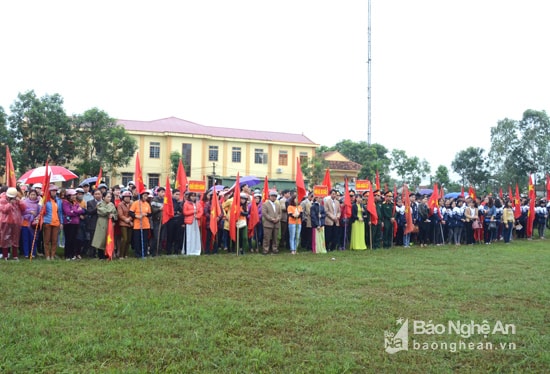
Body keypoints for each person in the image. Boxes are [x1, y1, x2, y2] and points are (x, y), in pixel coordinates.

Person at [0, 187, 26, 260]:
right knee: (5, 239)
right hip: (6, 222)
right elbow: (4, 210)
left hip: (16, 222)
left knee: (15, 239)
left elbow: (24, 208)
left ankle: (15, 256)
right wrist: (10, 204)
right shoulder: (2, 200)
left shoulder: (17, 199)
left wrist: (19, 201)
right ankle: (5, 256)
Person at [91, 191, 118, 259]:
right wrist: (109, 212)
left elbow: (116, 214)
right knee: (101, 238)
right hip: (102, 222)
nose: (109, 198)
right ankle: (100, 255)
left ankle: (108, 253)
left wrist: (113, 216)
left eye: (110, 197)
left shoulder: (112, 204)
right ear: (103, 197)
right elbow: (101, 211)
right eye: (108, 197)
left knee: (108, 237)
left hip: (110, 223)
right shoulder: (100, 204)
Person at [62, 189, 86, 260]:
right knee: (68, 239)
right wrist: (76, 211)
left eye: (75, 195)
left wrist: (74, 211)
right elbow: (68, 212)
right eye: (72, 195)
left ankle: (72, 254)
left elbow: (81, 210)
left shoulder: (75, 202)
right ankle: (67, 255)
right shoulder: (65, 203)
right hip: (68, 223)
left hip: (76, 223)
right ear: (68, 196)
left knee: (74, 239)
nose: (74, 196)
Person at [43, 184, 64, 260]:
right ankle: (47, 255)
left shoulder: (59, 201)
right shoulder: (45, 200)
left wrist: (61, 222)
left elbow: (60, 212)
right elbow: (41, 210)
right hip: (47, 222)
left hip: (56, 222)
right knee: (47, 240)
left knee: (55, 240)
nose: (54, 192)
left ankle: (53, 255)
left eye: (55, 191)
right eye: (52, 191)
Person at [130, 190, 152, 258]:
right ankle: (137, 253)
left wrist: (146, 214)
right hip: (137, 225)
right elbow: (131, 212)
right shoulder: (136, 203)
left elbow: (150, 213)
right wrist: (137, 216)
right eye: (145, 195)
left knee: (145, 240)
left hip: (145, 224)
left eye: (147, 196)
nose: (146, 197)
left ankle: (144, 253)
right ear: (141, 196)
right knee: (137, 240)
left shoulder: (147, 204)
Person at [21, 189, 40, 258]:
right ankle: (26, 253)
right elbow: (22, 211)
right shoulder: (24, 202)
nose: (32, 196)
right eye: (31, 194)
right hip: (25, 223)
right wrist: (30, 212)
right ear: (28, 195)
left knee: (33, 239)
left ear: (36, 195)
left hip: (34, 223)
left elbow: (40, 212)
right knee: (25, 239)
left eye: (34, 195)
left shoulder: (38, 203)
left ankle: (33, 253)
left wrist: (37, 218)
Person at [86, 189, 104, 258]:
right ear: (93, 195)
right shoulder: (90, 202)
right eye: (96, 194)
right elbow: (89, 212)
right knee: (92, 239)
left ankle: (101, 254)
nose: (97, 195)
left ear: (101, 195)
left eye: (99, 194)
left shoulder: (104, 202)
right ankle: (92, 254)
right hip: (93, 223)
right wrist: (96, 208)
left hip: (102, 223)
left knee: (101, 239)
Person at [262, 190, 281, 254]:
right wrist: (271, 219)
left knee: (275, 237)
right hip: (268, 223)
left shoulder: (278, 204)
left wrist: (278, 218)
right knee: (267, 237)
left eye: (275, 196)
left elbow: (280, 213)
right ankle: (265, 249)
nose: (274, 197)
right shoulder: (265, 204)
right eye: (272, 196)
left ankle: (275, 248)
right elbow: (264, 213)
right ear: (269, 196)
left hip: (276, 223)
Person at [117, 190, 133, 259]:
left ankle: (126, 254)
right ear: (123, 197)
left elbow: (133, 212)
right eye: (126, 197)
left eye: (129, 197)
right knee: (124, 239)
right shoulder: (120, 204)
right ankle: (121, 255)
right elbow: (120, 215)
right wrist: (126, 220)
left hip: (130, 223)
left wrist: (130, 220)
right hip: (123, 223)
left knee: (129, 239)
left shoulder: (132, 204)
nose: (127, 198)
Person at [150, 187, 165, 256]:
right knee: (156, 237)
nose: (163, 193)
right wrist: (159, 209)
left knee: (161, 237)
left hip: (163, 220)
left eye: (164, 192)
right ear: (158, 192)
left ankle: (159, 251)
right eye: (161, 192)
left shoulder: (165, 200)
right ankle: (153, 252)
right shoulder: (154, 200)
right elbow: (152, 210)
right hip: (156, 220)